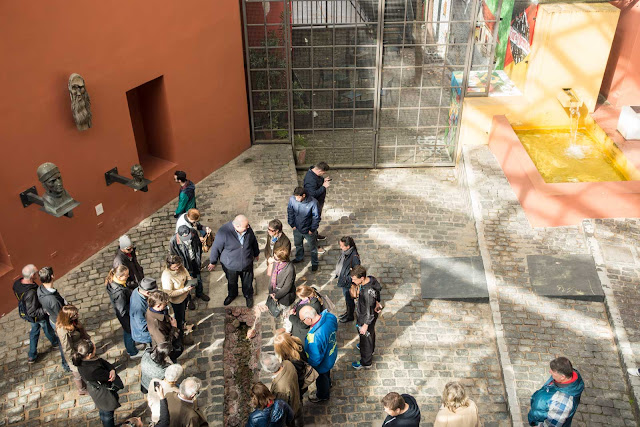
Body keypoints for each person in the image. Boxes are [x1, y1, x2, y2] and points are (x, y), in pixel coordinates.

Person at [13, 264, 64, 366]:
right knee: (47, 329)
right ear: (32, 275)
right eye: (36, 272)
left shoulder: (17, 283)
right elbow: (32, 311)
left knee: (34, 332)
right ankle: (54, 343)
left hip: (28, 314)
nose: (38, 274)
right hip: (37, 316)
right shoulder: (30, 293)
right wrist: (45, 309)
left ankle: (32, 355)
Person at [207, 215, 260, 308]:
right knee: (232, 282)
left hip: (247, 263)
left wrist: (256, 253)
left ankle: (248, 296)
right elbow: (216, 248)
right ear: (238, 226)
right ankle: (232, 295)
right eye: (246, 226)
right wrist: (213, 262)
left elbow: (253, 241)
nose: (248, 227)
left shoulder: (248, 229)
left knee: (247, 282)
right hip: (230, 265)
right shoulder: (224, 232)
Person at [73, 339, 123, 427]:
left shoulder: (82, 360)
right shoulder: (93, 370)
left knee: (103, 410)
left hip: (95, 390)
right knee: (107, 414)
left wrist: (111, 369)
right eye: (94, 348)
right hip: (103, 394)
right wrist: (112, 372)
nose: (96, 348)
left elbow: (103, 362)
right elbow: (108, 377)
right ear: (89, 355)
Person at [528, 357, 584, 427]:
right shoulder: (566, 376)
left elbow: (551, 425)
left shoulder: (563, 402)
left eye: (553, 372)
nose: (550, 372)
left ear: (562, 377)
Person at [298, 305, 338, 403]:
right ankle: (328, 383)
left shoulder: (314, 337)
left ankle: (322, 395)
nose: (303, 322)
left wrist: (310, 367)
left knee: (321, 379)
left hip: (322, 364)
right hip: (331, 354)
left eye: (302, 320)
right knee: (327, 373)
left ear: (308, 319)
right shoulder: (329, 316)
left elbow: (315, 359)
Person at [105, 265, 142, 359]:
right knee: (129, 332)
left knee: (129, 331)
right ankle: (132, 352)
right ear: (119, 276)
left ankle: (133, 346)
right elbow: (122, 309)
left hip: (125, 314)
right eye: (126, 275)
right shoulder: (119, 293)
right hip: (126, 316)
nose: (128, 276)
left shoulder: (115, 282)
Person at [351, 265, 381, 370]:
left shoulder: (367, 293)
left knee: (366, 338)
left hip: (365, 318)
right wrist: (377, 302)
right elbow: (378, 290)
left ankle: (366, 362)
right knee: (370, 335)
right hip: (367, 314)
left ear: (362, 278)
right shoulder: (371, 279)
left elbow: (370, 314)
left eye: (354, 279)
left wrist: (365, 326)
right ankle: (370, 348)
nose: (352, 281)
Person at [170, 225, 210, 302]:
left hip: (194, 260)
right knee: (186, 282)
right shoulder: (173, 241)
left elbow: (198, 245)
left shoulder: (193, 232)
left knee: (198, 277)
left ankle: (199, 293)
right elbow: (173, 255)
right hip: (184, 264)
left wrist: (198, 257)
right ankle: (189, 299)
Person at [261, 352, 303, 426]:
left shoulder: (280, 389)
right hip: (297, 399)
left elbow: (282, 408)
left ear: (268, 370)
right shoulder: (288, 363)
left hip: (292, 409)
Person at [161, 255, 195, 346]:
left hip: (185, 296)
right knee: (178, 318)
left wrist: (190, 281)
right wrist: (184, 290)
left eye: (178, 266)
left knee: (183, 312)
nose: (177, 268)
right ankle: (180, 337)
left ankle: (184, 325)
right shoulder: (167, 276)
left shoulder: (181, 267)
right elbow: (169, 293)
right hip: (177, 301)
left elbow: (187, 275)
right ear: (169, 266)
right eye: (174, 267)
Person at [56, 305, 90, 395]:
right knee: (77, 373)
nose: (77, 315)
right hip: (75, 353)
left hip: (81, 347)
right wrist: (74, 360)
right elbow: (67, 349)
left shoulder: (73, 322)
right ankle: (81, 389)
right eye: (75, 314)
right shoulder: (63, 331)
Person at [287, 187, 321, 271]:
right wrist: (292, 224)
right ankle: (299, 257)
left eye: (298, 197)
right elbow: (290, 211)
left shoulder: (313, 203)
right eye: (295, 197)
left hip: (308, 230)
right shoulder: (292, 199)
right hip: (297, 229)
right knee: (298, 244)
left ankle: (315, 263)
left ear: (304, 195)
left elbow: (316, 217)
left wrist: (312, 229)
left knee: (313, 248)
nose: (296, 199)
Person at [146, 291, 180, 361]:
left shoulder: (153, 310)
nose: (166, 306)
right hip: (167, 350)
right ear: (158, 306)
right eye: (165, 305)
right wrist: (174, 327)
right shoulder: (156, 326)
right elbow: (165, 344)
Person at [274, 333, 311, 397]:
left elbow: (295, 374)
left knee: (298, 395)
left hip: (298, 381)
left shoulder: (293, 360)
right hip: (301, 375)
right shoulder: (297, 345)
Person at [333, 236, 360, 323]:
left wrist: (349, 279)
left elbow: (357, 271)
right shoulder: (346, 252)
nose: (340, 247)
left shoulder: (354, 256)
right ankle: (348, 312)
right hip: (344, 279)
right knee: (347, 299)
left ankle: (350, 315)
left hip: (348, 282)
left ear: (348, 246)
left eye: (342, 246)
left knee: (349, 299)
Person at [266, 246, 296, 318]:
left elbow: (287, 287)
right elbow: (272, 276)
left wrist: (276, 296)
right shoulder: (276, 263)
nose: (274, 259)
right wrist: (270, 291)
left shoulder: (290, 269)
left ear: (282, 259)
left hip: (284, 297)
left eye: (276, 258)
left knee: (285, 313)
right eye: (274, 256)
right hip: (274, 292)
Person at [303, 162, 330, 241]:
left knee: (316, 221)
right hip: (313, 203)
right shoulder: (310, 180)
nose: (323, 174)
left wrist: (323, 181)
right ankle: (313, 241)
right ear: (319, 170)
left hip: (317, 202)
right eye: (323, 173)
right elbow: (312, 194)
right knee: (314, 222)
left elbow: (318, 181)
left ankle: (315, 234)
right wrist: (324, 187)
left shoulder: (314, 173)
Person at [130, 277, 158, 348]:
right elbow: (142, 326)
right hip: (146, 336)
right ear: (148, 293)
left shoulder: (137, 290)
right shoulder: (139, 306)